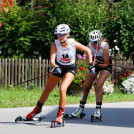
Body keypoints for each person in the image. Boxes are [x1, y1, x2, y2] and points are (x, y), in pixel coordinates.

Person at [25, 24, 95, 124]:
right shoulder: (55, 44)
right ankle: (37, 109)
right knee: (47, 89)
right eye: (58, 35)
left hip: (70, 69)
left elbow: (88, 50)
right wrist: (56, 67)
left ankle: (60, 115)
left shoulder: (73, 43)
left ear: (67, 35)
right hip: (59, 67)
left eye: (62, 35)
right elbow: (52, 61)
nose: (60, 37)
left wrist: (91, 64)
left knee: (62, 89)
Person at [71, 30, 112, 119]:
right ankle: (80, 109)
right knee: (86, 87)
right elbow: (88, 61)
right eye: (92, 42)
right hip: (95, 65)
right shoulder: (89, 46)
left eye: (96, 42)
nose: (94, 44)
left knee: (98, 86)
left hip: (105, 66)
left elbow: (106, 64)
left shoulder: (105, 46)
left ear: (100, 40)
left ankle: (98, 110)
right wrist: (92, 63)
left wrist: (96, 63)